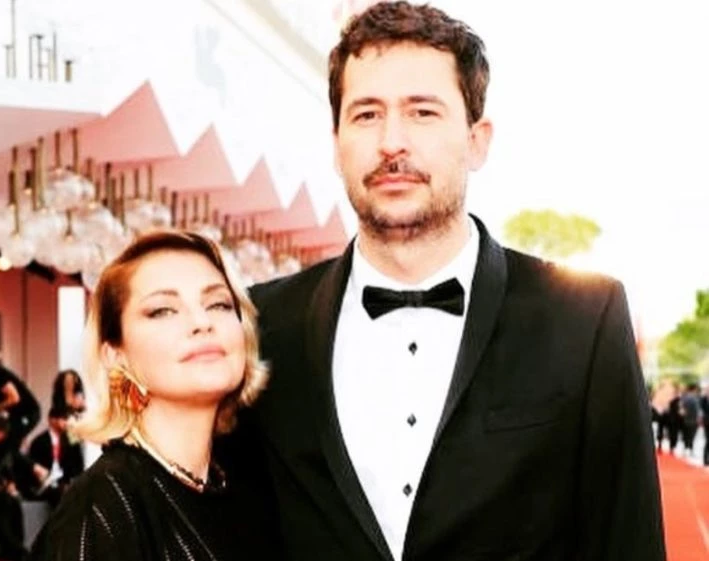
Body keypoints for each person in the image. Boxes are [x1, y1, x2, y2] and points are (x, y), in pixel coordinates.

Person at [244, 3, 666, 560]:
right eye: (366, 114)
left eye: (422, 112)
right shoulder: (264, 323)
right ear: (336, 141)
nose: (392, 142)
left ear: (477, 140)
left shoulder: (585, 319)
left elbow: (628, 540)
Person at [30, 231, 281, 561]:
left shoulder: (251, 493)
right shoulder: (103, 506)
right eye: (163, 310)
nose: (202, 322)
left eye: (219, 304)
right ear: (115, 354)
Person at [28, 406, 85, 506]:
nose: (66, 423)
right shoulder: (39, 441)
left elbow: (78, 464)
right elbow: (34, 467)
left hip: (65, 481)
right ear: (52, 420)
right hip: (47, 483)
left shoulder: (71, 439)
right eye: (64, 419)